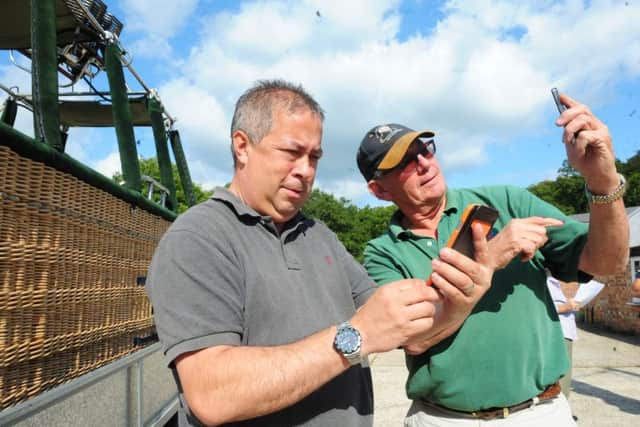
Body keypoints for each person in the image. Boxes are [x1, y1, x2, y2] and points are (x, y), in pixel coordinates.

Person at [146, 79, 496, 427]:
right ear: (242, 146)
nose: (306, 170)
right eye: (291, 152)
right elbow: (212, 394)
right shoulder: (198, 237)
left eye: (314, 156)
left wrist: (465, 298)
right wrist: (357, 336)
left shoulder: (318, 235)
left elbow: (409, 335)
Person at [356, 92, 629, 426]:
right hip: (444, 419)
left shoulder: (507, 200)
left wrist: (602, 182)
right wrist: (491, 259)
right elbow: (415, 339)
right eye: (404, 163)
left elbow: (607, 264)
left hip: (541, 413)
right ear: (379, 191)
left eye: (424, 150)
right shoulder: (383, 252)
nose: (424, 164)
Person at [546, 275, 603, 399]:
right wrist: (564, 307)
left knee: (564, 373)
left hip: (566, 331)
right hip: (551, 330)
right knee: (556, 374)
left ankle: (563, 408)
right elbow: (538, 308)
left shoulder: (564, 281)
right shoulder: (543, 281)